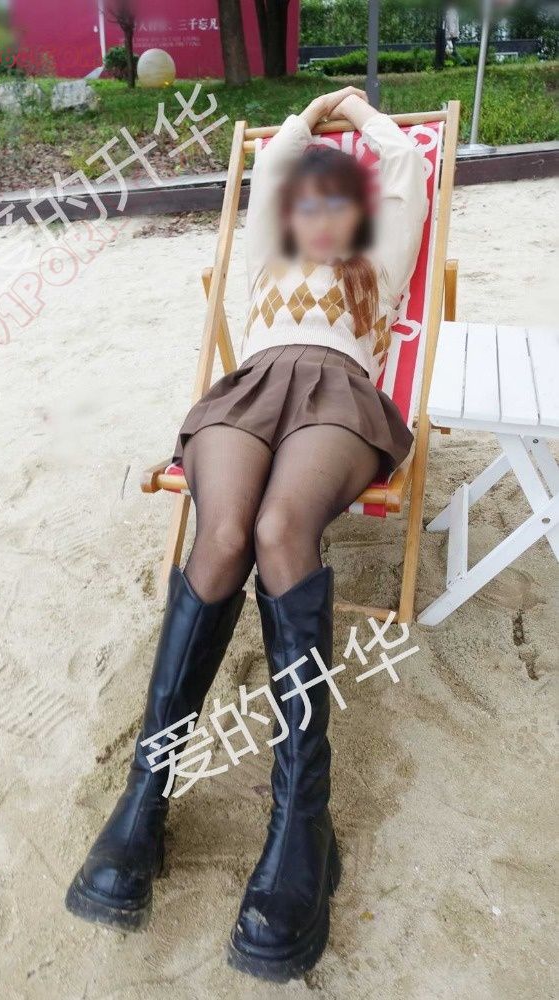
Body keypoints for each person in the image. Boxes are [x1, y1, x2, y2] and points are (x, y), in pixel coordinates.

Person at [65, 87, 427, 981]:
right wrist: (311, 112)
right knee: (223, 532)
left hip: (337, 396)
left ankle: (301, 820)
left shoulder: (379, 255)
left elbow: (406, 163)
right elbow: (272, 163)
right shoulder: (269, 246)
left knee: (279, 527)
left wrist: (360, 114)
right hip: (249, 390)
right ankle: (145, 798)